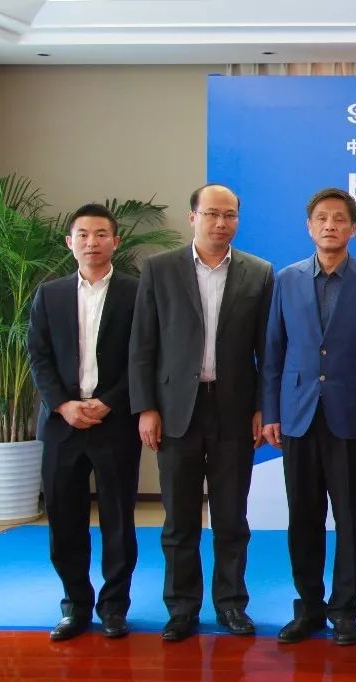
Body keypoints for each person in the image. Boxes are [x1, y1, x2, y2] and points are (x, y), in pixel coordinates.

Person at [129, 184, 273, 642]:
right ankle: (181, 607)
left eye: (229, 215)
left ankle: (231, 604)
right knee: (179, 519)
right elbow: (142, 345)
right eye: (211, 214)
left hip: (233, 411)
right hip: (175, 411)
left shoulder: (258, 272)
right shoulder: (159, 269)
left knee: (231, 517)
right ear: (193, 217)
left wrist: (262, 406)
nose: (220, 223)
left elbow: (267, 350)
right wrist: (146, 407)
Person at [261, 187, 356, 646]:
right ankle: (308, 607)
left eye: (340, 219)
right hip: (298, 417)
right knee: (303, 516)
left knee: (351, 518)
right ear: (309, 226)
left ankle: (344, 610)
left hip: (353, 419)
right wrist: (272, 411)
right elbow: (274, 351)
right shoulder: (287, 279)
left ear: (353, 228)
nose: (330, 226)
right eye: (321, 218)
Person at [28, 204, 141, 641]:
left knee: (118, 519)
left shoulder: (136, 292)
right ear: (69, 242)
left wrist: (109, 402)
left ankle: (114, 607)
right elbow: (39, 356)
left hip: (115, 423)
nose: (91, 242)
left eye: (100, 234)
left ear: (115, 241)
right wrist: (63, 405)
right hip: (63, 426)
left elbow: (143, 357)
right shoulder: (50, 294)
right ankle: (75, 605)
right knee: (64, 518)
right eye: (83, 235)